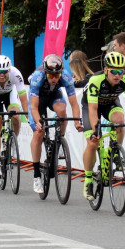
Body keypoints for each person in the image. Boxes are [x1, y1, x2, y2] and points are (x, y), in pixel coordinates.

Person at [82, 51, 125, 200]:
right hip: (92, 105)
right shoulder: (96, 80)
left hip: (110, 104)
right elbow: (92, 109)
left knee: (120, 120)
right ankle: (88, 179)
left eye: (120, 71)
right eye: (113, 71)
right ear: (105, 70)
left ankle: (115, 153)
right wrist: (96, 130)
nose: (117, 75)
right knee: (92, 142)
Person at [28, 54, 84, 194]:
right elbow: (33, 107)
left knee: (62, 111)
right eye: (51, 75)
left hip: (54, 96)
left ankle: (59, 140)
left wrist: (77, 121)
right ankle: (36, 176)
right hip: (38, 99)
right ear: (46, 72)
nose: (54, 78)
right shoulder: (38, 77)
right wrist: (37, 122)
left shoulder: (65, 76)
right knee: (38, 132)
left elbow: (74, 104)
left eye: (57, 75)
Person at [0, 54, 29, 179]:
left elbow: (24, 98)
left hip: (10, 94)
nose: (2, 74)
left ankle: (12, 141)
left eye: (4, 71)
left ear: (9, 70)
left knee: (16, 117)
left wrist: (27, 114)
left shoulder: (16, 74)